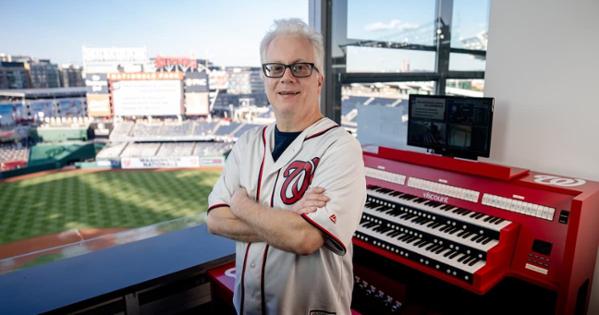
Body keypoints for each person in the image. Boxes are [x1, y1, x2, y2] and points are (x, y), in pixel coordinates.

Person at [207, 18, 366, 315]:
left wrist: (241, 205)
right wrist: (287, 218)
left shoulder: (341, 147)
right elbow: (215, 220)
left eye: (300, 67)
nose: (286, 77)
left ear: (319, 78)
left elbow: (305, 238)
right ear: (266, 78)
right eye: (275, 68)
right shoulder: (247, 144)